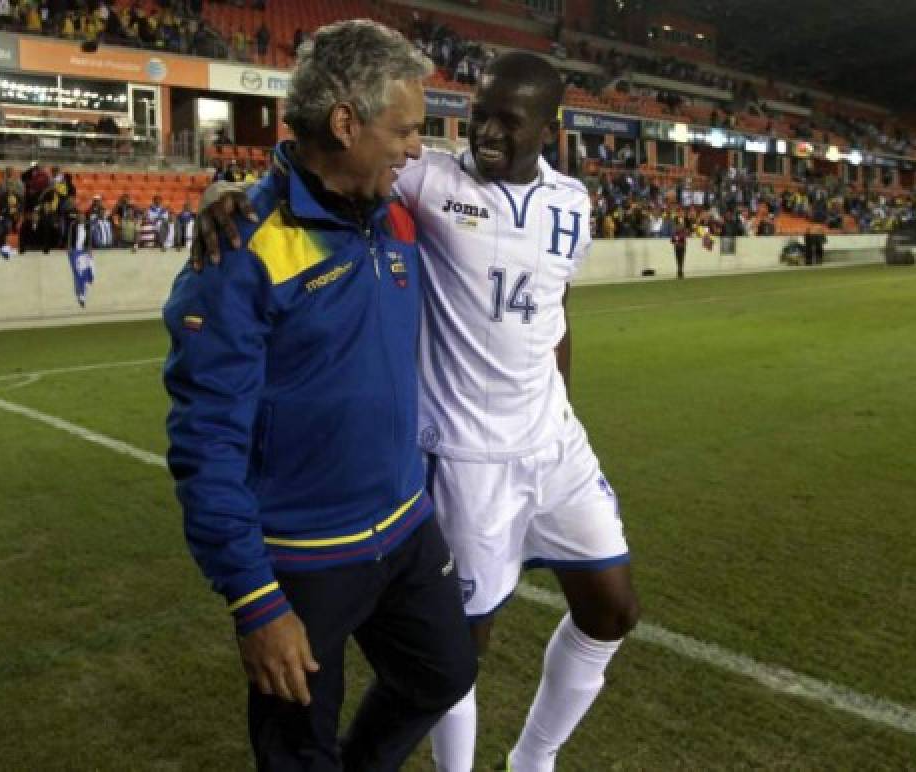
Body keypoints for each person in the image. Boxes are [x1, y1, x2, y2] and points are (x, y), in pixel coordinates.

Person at [196, 49, 640, 772]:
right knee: (456, 654)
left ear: (549, 127)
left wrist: (558, 410)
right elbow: (318, 168)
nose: (485, 134)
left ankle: (533, 761)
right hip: (462, 454)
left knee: (613, 609)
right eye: (479, 115)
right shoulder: (429, 177)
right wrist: (225, 189)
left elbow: (556, 310)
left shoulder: (573, 203)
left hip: (552, 441)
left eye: (508, 121)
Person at [162, 20, 476, 769]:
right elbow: (206, 446)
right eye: (403, 129)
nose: (415, 148)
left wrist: (218, 185)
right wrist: (255, 601)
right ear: (345, 123)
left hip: (405, 527)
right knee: (298, 752)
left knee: (446, 672)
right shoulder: (239, 254)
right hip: (303, 559)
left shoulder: (398, 212)